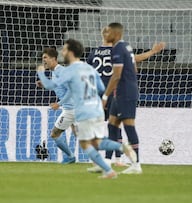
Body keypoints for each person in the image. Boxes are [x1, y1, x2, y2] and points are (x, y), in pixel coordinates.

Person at [37, 38, 137, 179]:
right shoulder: (88, 68)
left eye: (65, 50)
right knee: (93, 141)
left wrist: (41, 72)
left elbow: (54, 85)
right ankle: (111, 166)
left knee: (86, 143)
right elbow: (101, 87)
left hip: (81, 110)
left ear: (71, 53)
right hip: (94, 108)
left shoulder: (69, 71)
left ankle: (118, 152)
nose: (63, 52)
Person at [86, 27, 165, 170]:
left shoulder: (94, 52)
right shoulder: (118, 50)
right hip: (114, 91)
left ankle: (111, 160)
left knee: (106, 126)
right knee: (115, 127)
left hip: (102, 93)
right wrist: (152, 52)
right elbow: (135, 61)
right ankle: (114, 160)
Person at [101, 22, 142, 174]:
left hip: (125, 93)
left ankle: (136, 165)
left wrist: (105, 95)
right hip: (121, 93)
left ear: (116, 33)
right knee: (112, 125)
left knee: (129, 126)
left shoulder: (118, 48)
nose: (106, 35)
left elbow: (117, 74)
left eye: (108, 32)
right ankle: (106, 162)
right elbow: (134, 68)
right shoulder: (126, 46)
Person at [35, 48, 76, 164]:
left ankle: (70, 157)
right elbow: (58, 87)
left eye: (45, 58)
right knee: (79, 134)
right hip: (73, 108)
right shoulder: (55, 72)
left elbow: (71, 91)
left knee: (55, 133)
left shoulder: (61, 72)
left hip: (71, 109)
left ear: (53, 59)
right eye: (43, 58)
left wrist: (59, 104)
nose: (44, 61)